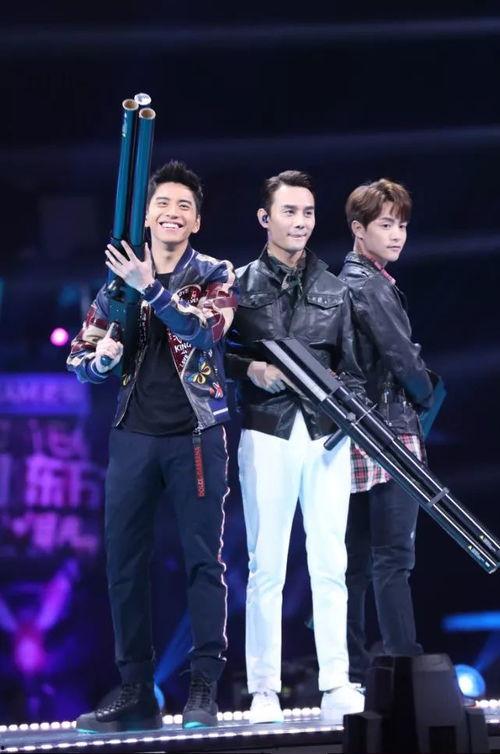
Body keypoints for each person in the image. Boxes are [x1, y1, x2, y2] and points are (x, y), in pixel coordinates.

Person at [67, 160, 238, 731]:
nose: (172, 212)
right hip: (133, 436)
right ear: (146, 215)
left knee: (203, 561)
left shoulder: (214, 274)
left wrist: (154, 290)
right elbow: (79, 357)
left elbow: (205, 331)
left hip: (195, 433)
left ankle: (203, 688)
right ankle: (137, 690)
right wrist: (100, 361)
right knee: (123, 563)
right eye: (163, 203)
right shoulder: (118, 279)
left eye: (184, 205)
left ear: (196, 221)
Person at [226, 170, 365, 725]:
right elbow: (215, 354)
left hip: (327, 435)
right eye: (289, 211)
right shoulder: (236, 284)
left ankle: (337, 682)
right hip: (267, 430)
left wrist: (346, 413)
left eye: (307, 212)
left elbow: (353, 366)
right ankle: (264, 689)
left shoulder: (335, 287)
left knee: (331, 560)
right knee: (266, 565)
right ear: (265, 218)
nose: (300, 221)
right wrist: (251, 369)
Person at [339, 178, 434, 686]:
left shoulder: (351, 279)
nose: (397, 235)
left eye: (402, 225)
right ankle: (406, 665)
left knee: (355, 561)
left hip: (358, 432)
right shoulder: (369, 285)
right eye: (385, 224)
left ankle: (352, 670)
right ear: (359, 229)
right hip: (389, 433)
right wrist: (425, 392)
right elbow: (401, 357)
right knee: (393, 557)